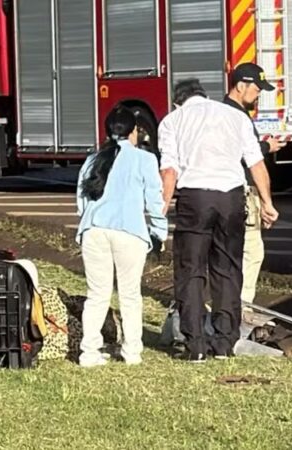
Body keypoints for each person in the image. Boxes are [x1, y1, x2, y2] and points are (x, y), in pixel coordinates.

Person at [158, 79, 279, 362]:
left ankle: (196, 344)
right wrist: (267, 203)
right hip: (231, 198)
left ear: (178, 101)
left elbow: (169, 170)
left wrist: (161, 207)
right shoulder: (235, 116)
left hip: (195, 197)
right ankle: (224, 342)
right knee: (227, 269)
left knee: (191, 270)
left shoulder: (172, 121)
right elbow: (256, 163)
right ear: (204, 96)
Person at [75, 106, 168, 367]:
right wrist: (159, 232)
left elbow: (81, 202)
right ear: (133, 131)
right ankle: (131, 352)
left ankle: (89, 352)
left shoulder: (93, 159)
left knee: (97, 294)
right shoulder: (145, 160)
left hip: (93, 231)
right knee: (129, 295)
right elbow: (154, 201)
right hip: (130, 233)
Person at [222, 63, 286, 308]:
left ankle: (226, 303)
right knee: (251, 251)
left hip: (222, 193)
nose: (259, 94)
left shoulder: (222, 112)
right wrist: (267, 203)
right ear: (240, 86)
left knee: (229, 251)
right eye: (257, 88)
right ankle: (241, 307)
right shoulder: (237, 116)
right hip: (242, 192)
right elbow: (251, 161)